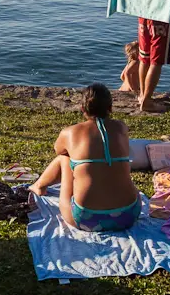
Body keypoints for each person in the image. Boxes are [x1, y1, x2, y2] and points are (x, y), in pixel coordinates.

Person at [30, 84, 142, 232]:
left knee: (65, 158)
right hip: (129, 215)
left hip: (86, 219)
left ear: (83, 109)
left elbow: (59, 150)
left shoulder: (70, 132)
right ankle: (40, 186)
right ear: (110, 108)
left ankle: (39, 186)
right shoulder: (121, 127)